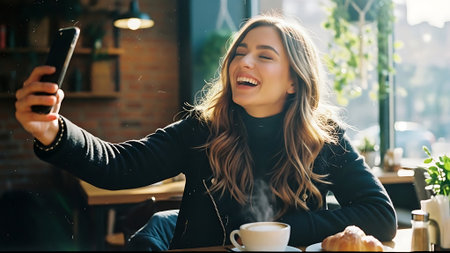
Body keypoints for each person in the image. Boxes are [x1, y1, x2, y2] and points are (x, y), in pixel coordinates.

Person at [15, 14, 397, 249]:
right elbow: (121, 166)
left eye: (264, 55)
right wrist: (53, 131)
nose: (242, 61)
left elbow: (380, 214)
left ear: (294, 82)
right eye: (239, 51)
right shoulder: (203, 129)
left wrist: (279, 232)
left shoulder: (324, 139)